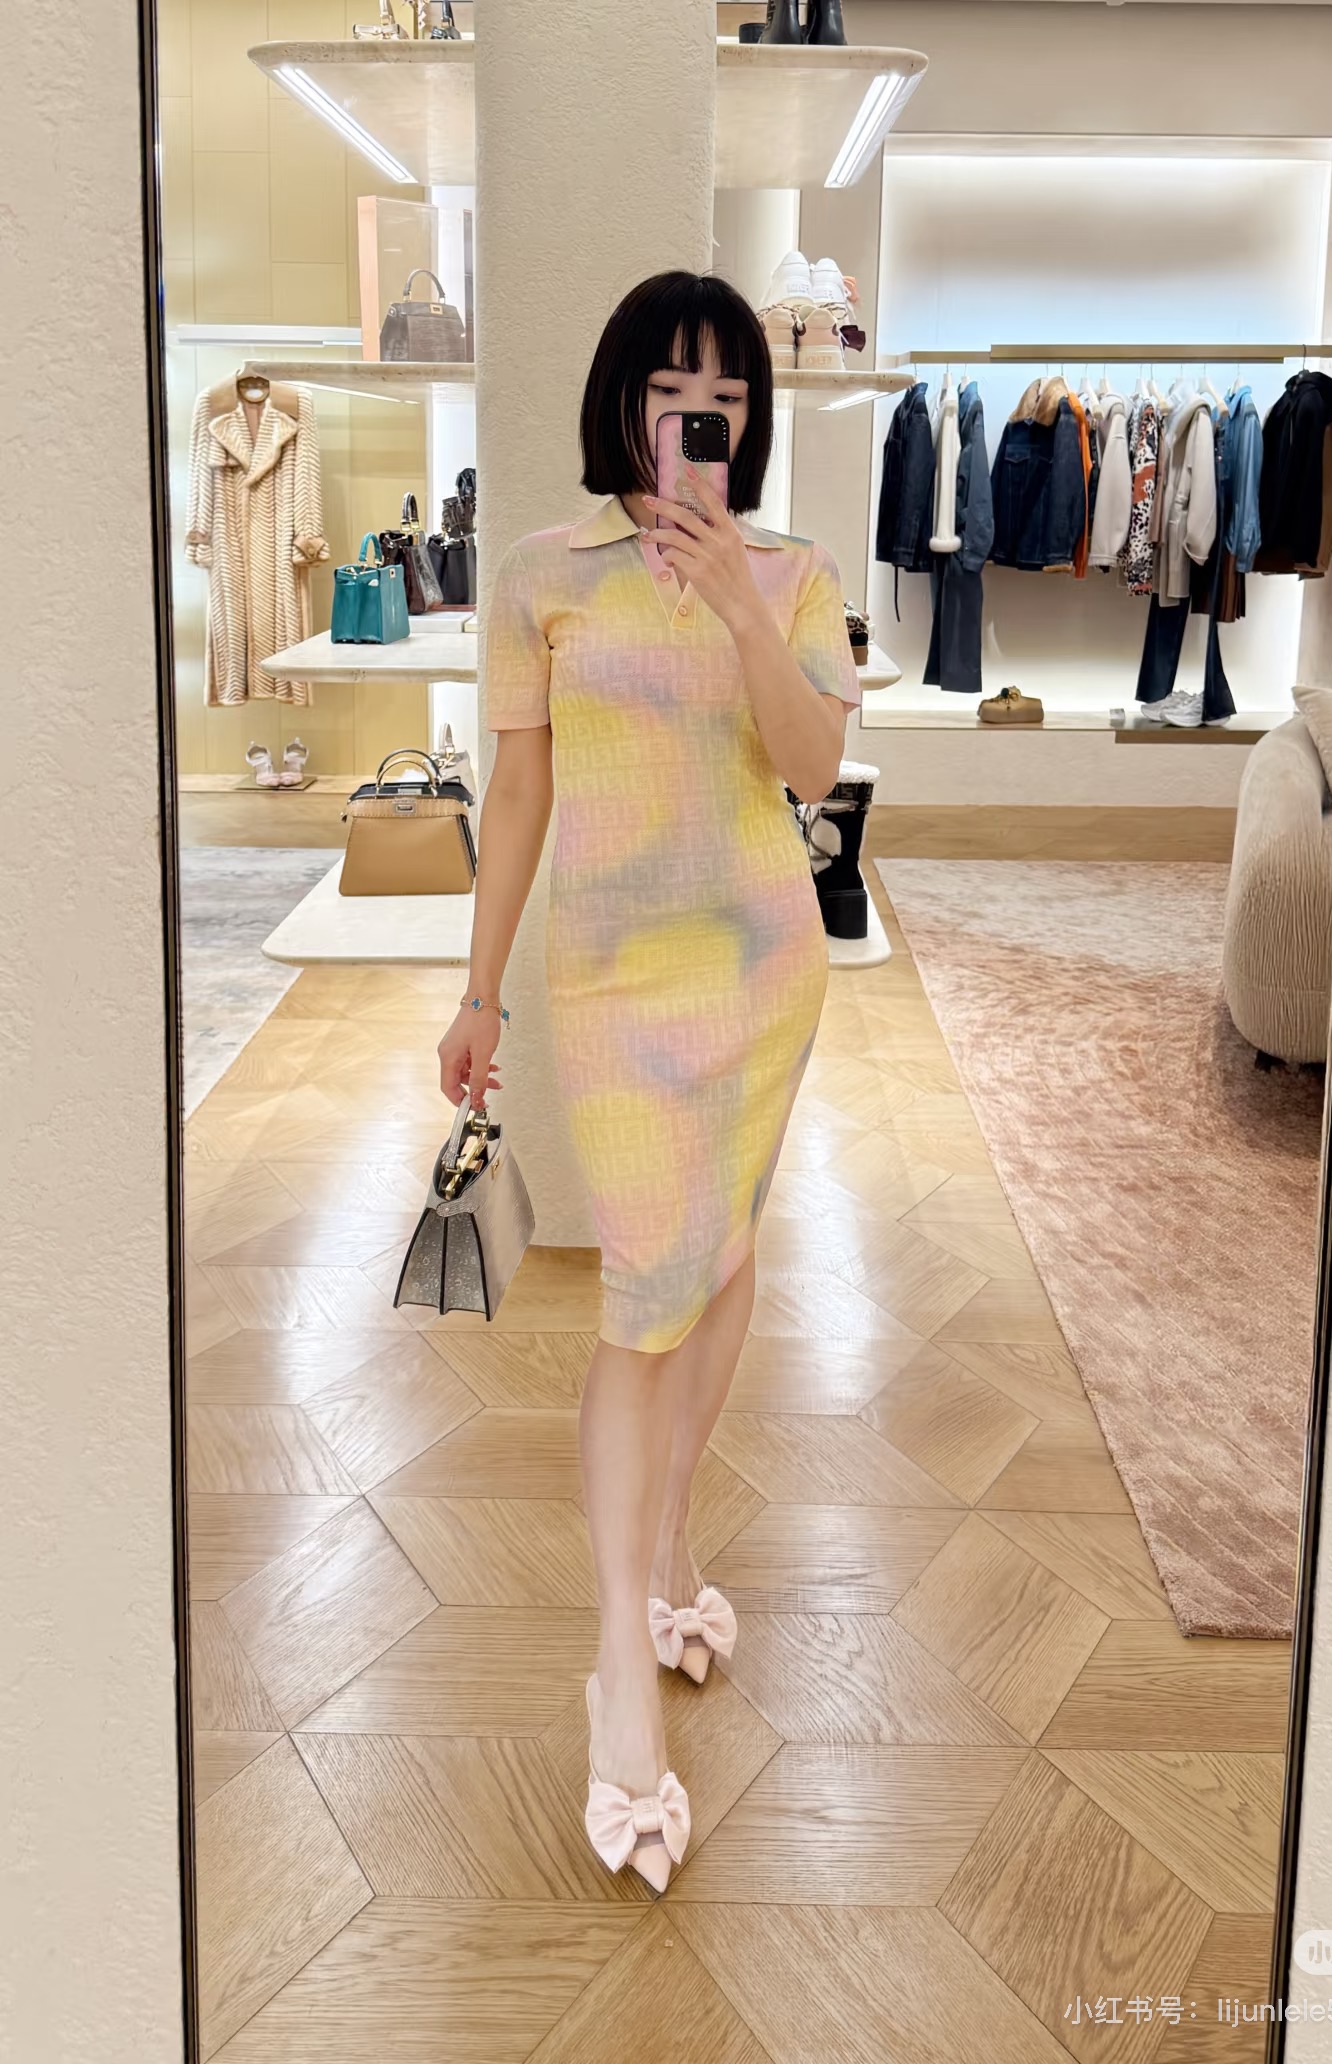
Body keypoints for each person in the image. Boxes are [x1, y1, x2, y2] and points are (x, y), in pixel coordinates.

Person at [436, 269, 860, 1890]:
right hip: (612, 987)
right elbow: (519, 792)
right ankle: (623, 1644)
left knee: (725, 1257)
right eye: (675, 391)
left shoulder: (797, 573)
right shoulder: (541, 575)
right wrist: (478, 987)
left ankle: (672, 1531)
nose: (701, 419)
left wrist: (742, 600)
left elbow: (812, 768)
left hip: (761, 975)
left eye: (729, 399)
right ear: (624, 398)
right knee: (644, 1291)